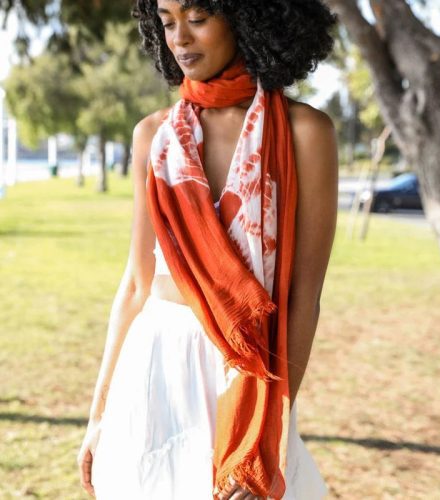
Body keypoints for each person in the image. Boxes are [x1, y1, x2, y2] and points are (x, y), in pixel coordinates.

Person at [76, 0, 338, 498]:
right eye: (168, 21)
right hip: (154, 364)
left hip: (248, 368)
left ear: (246, 18)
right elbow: (136, 285)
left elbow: (304, 298)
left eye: (196, 19)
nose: (179, 38)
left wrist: (266, 429)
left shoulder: (306, 133)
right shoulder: (153, 136)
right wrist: (98, 413)